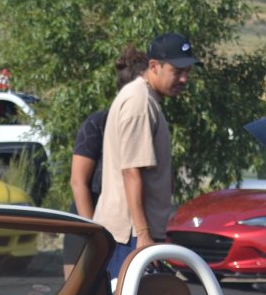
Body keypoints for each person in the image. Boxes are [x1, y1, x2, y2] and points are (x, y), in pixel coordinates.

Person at [95, 32, 198, 281]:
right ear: (154, 66)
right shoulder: (139, 102)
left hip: (133, 234)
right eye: (177, 71)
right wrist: (143, 234)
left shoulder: (145, 98)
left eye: (188, 71)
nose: (184, 78)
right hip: (129, 235)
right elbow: (131, 172)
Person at [63, 46, 150, 275]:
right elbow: (78, 181)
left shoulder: (142, 120)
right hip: (88, 214)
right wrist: (91, 232)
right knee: (76, 293)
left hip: (119, 221)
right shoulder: (97, 123)